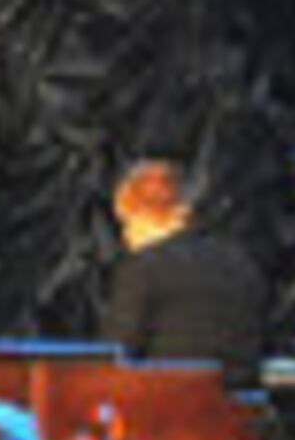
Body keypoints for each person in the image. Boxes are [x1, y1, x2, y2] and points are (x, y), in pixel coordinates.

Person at [103, 157, 268, 387]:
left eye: (126, 223)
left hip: (166, 407)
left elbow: (117, 353)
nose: (125, 237)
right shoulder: (240, 263)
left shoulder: (144, 269)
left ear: (142, 215)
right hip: (236, 410)